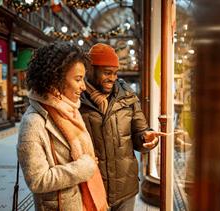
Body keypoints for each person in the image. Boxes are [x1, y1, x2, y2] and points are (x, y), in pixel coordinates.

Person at [17, 42, 108, 211]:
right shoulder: (33, 123)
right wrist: (84, 167)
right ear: (55, 80)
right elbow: (37, 180)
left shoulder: (71, 111)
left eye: (83, 79)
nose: (83, 86)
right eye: (78, 79)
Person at [79, 43, 164, 210]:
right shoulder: (76, 101)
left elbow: (141, 131)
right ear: (90, 69)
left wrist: (147, 139)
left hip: (125, 189)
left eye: (115, 73)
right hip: (92, 188)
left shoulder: (128, 97)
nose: (113, 78)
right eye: (107, 73)